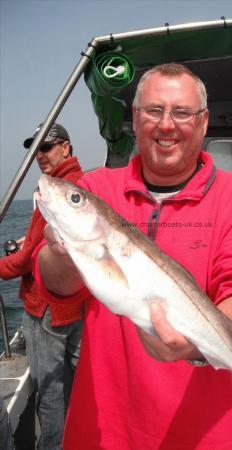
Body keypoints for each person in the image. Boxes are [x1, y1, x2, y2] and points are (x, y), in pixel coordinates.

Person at [34, 64, 232, 450]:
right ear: (134, 119)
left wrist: (210, 341)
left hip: (201, 436)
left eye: (182, 112)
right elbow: (56, 285)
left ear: (203, 123)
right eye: (153, 111)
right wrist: (60, 252)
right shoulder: (97, 187)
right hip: (100, 431)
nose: (167, 125)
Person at [0, 123, 84, 450]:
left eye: (46, 147)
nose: (39, 156)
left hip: (45, 309)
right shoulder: (80, 183)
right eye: (35, 150)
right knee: (75, 385)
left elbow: (22, 263)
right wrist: (31, 244)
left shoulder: (57, 190)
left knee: (50, 393)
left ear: (66, 147)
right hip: (75, 307)